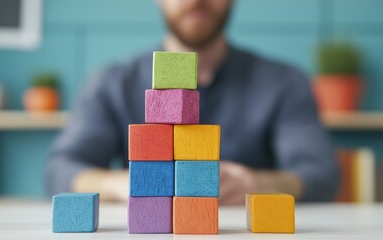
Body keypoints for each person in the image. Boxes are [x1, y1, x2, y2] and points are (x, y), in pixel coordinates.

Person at [45, 0, 339, 205]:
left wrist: (259, 184)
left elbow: (322, 174)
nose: (196, 0)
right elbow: (60, 169)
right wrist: (128, 184)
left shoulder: (285, 82)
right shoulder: (111, 82)